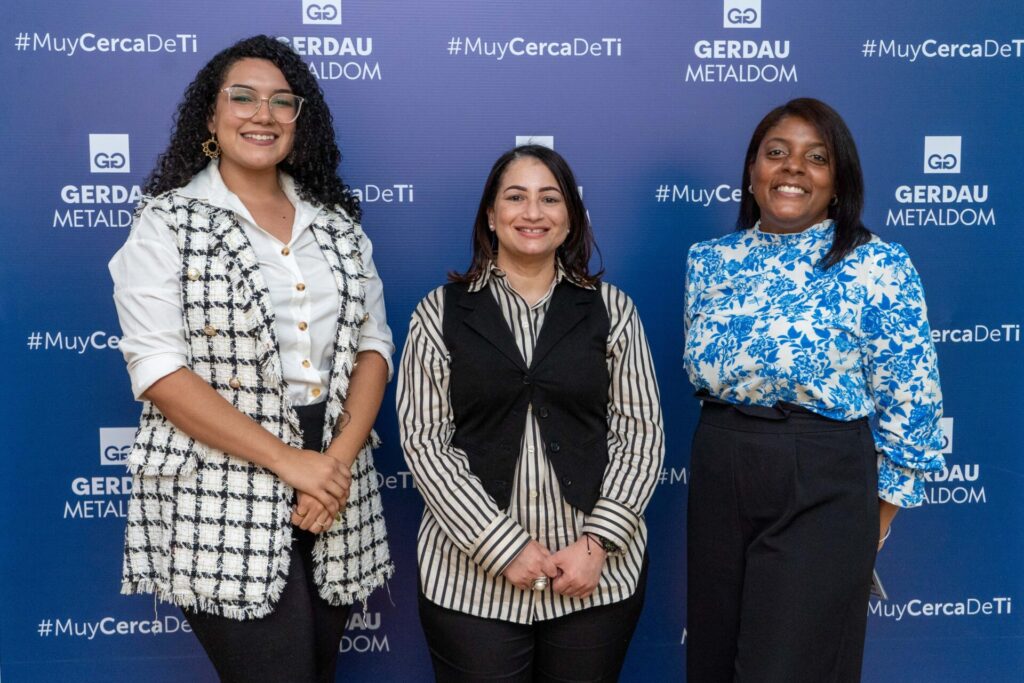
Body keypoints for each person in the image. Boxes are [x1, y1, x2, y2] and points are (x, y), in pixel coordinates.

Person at [109, 35, 393, 683]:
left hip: (337, 480)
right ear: (210, 116)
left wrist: (336, 464)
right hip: (220, 483)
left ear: (300, 120)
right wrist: (288, 460)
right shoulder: (167, 221)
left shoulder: (337, 223)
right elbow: (158, 370)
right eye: (242, 97)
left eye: (281, 102)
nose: (261, 114)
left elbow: (374, 346)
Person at [683, 98, 945, 682]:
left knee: (786, 670)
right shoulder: (709, 261)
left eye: (815, 158)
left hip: (822, 478)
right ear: (752, 174)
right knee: (713, 662)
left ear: (837, 182)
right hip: (720, 460)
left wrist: (872, 520)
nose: (793, 168)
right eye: (776, 153)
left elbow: (914, 402)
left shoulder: (877, 265)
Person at [397, 145, 664, 681]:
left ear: (571, 219)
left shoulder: (613, 310)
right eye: (515, 198)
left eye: (550, 198)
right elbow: (424, 443)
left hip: (596, 579)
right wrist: (503, 547)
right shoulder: (438, 311)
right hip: (470, 583)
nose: (533, 213)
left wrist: (598, 544)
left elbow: (642, 437)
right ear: (491, 217)